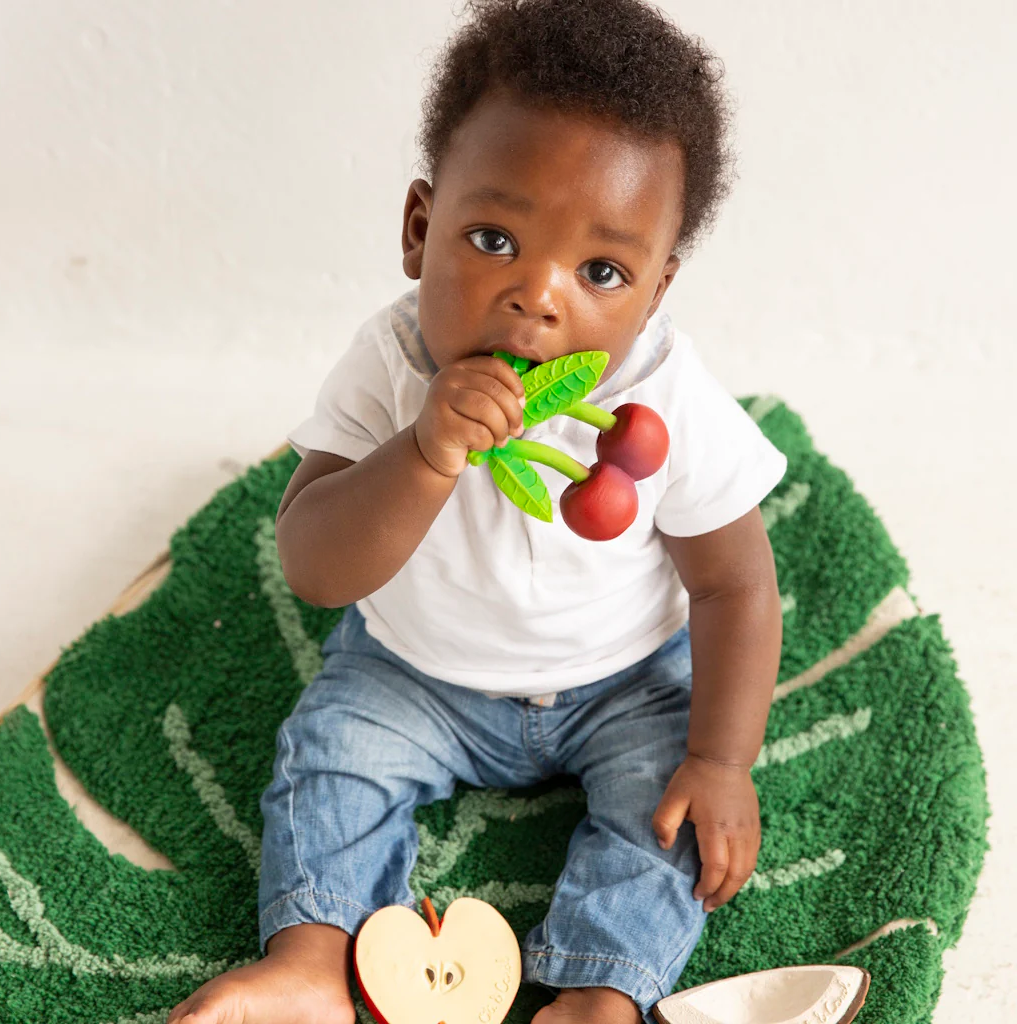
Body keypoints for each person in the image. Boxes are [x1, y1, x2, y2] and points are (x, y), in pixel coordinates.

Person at [167, 1, 788, 1022]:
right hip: (413, 668)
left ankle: (597, 990)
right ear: (419, 228)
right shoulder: (391, 360)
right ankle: (316, 957)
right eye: (494, 238)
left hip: (621, 679)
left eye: (601, 272)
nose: (538, 297)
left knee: (667, 819)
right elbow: (317, 566)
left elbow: (733, 580)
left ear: (655, 289)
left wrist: (721, 758)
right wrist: (422, 451)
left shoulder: (661, 395)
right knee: (328, 756)